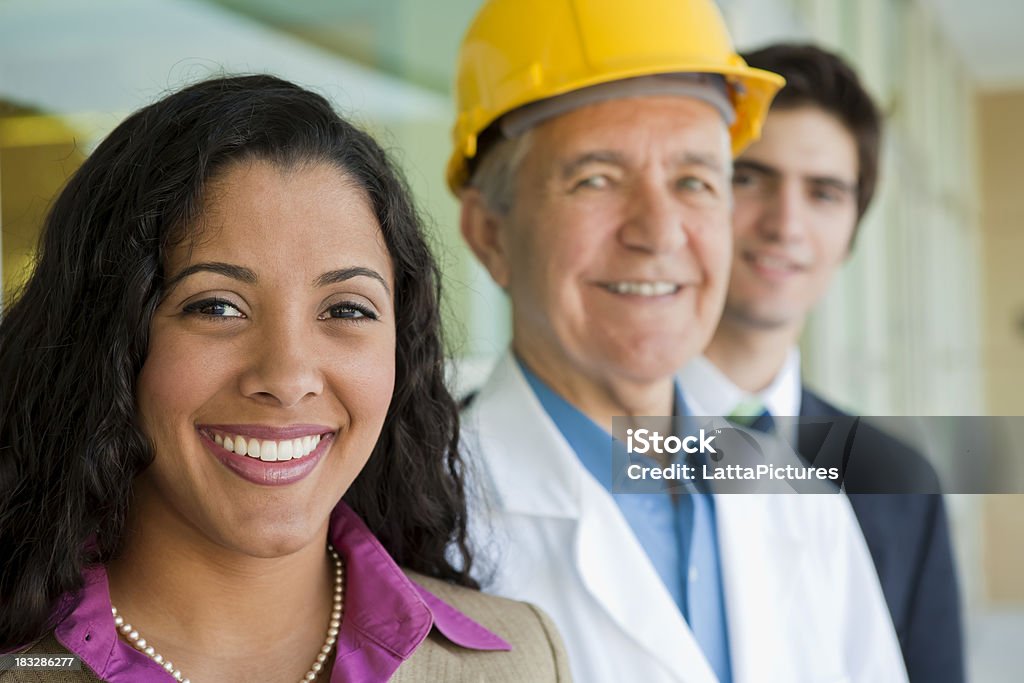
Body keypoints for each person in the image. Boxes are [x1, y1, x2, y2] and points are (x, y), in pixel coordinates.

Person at [0, 75, 571, 683]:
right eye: (218, 306)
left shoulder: (521, 659)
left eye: (347, 309)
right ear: (109, 337)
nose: (288, 376)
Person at [449, 1, 909, 682]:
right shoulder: (420, 526)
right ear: (490, 233)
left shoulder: (798, 499)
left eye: (694, 181)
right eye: (596, 178)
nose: (660, 232)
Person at [680, 44, 964, 683]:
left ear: (851, 234)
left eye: (825, 193)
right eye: (749, 177)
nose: (786, 224)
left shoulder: (898, 483)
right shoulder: (592, 438)